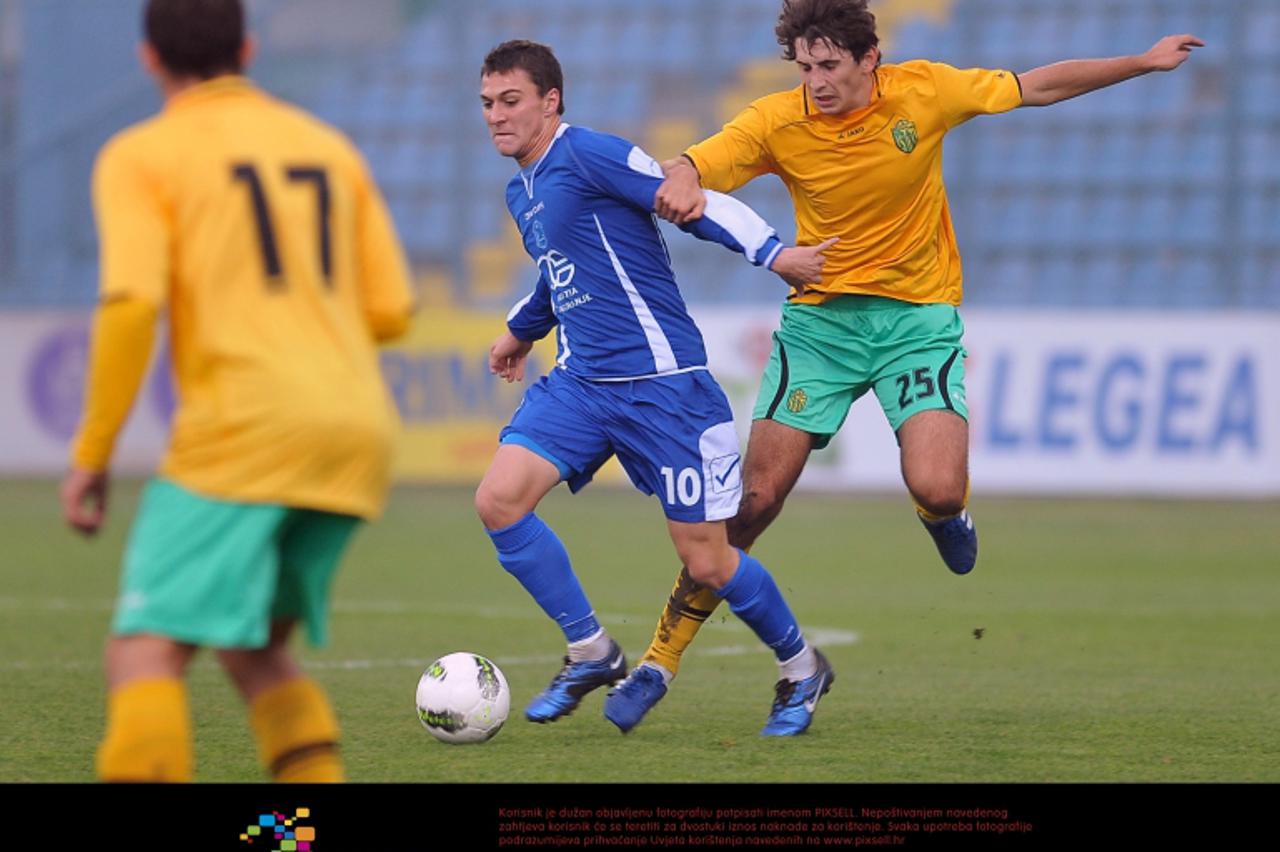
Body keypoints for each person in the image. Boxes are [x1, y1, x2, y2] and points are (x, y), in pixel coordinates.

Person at [604, 0, 1203, 730]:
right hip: (821, 326)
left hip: (918, 322)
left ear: (868, 59)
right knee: (752, 506)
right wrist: (684, 172)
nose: (816, 82)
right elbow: (704, 157)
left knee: (938, 485)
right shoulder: (776, 120)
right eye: (805, 67)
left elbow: (1035, 85)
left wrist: (1141, 61)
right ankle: (659, 663)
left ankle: (941, 513)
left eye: (830, 66)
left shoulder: (926, 90)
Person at [60, 0, 415, 782]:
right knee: (256, 652)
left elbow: (130, 306)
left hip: (247, 427)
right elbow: (390, 309)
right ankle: (291, 836)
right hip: (355, 433)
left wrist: (92, 455)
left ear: (150, 58)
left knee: (145, 649)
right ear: (247, 48)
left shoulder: (142, 154)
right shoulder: (325, 147)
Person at [475, 40, 839, 736]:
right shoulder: (518, 187)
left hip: (664, 387)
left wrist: (776, 254)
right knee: (497, 500)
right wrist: (521, 331)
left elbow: (692, 200)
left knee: (707, 557)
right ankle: (591, 650)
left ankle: (800, 668)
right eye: (489, 103)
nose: (497, 115)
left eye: (511, 100)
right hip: (582, 384)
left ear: (551, 101)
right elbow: (561, 271)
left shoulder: (589, 154)